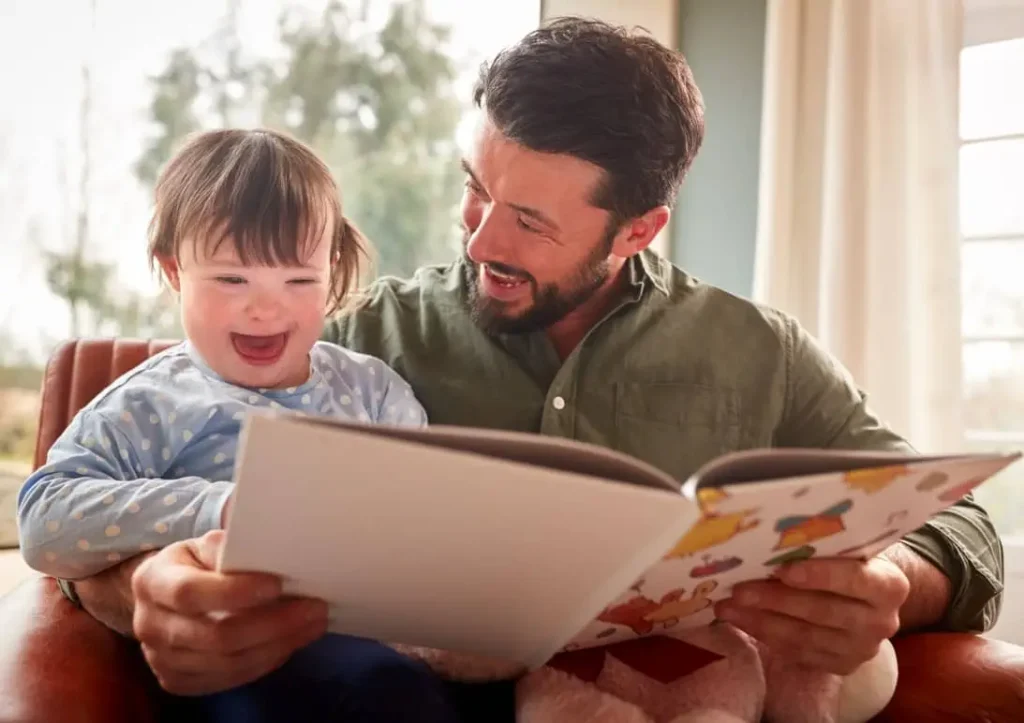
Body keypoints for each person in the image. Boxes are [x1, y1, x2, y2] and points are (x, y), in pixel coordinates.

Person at [60, 16, 1002, 722]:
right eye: (475, 189)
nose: (480, 237)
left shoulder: (759, 352)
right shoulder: (354, 344)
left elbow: (956, 523)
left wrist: (889, 580)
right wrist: (144, 583)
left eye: (532, 223)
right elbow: (128, 502)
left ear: (636, 230)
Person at [18, 128, 467, 723]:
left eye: (299, 281)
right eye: (233, 279)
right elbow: (44, 517)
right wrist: (219, 509)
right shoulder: (153, 400)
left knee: (398, 693)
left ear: (331, 273)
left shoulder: (372, 389)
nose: (266, 308)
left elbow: (427, 508)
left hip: (369, 649)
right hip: (227, 656)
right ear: (175, 271)